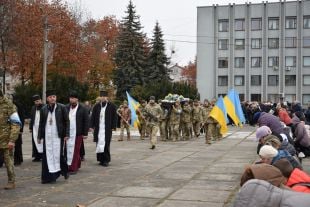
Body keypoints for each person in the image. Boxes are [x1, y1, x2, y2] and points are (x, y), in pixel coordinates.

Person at [38, 89, 70, 184]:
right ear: (47, 99)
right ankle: (47, 177)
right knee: (47, 156)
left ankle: (61, 172)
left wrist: (66, 134)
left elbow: (67, 121)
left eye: (54, 97)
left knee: (58, 155)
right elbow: (41, 123)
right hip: (47, 137)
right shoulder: (43, 109)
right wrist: (39, 136)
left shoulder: (62, 107)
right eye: (51, 97)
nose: (53, 98)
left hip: (57, 136)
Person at [90, 90, 117, 167]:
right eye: (101, 96)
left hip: (107, 128)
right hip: (98, 128)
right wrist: (91, 126)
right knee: (98, 143)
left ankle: (106, 160)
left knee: (106, 144)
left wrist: (113, 127)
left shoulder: (111, 106)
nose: (102, 98)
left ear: (107, 97)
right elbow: (93, 117)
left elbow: (114, 117)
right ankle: (100, 159)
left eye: (104, 96)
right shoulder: (96, 106)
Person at [0, 90, 20, 189]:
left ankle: (11, 181)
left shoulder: (9, 105)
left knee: (8, 161)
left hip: (6, 139)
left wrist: (12, 139)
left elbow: (16, 123)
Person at [66, 91, 89, 174]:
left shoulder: (83, 108)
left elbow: (86, 121)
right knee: (69, 149)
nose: (71, 100)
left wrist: (85, 133)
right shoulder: (66, 107)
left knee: (75, 150)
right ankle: (76, 164)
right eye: (70, 98)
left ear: (77, 99)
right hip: (68, 133)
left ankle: (73, 168)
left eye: (73, 98)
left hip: (78, 133)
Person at [29, 94, 44, 161]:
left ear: (41, 100)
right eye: (35, 102)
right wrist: (30, 127)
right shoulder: (33, 108)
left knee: (42, 142)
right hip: (35, 128)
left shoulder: (45, 107)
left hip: (42, 128)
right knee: (35, 142)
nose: (37, 103)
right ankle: (37, 156)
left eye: (38, 101)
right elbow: (32, 118)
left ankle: (43, 156)